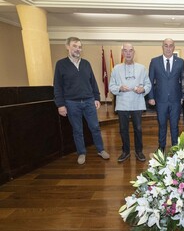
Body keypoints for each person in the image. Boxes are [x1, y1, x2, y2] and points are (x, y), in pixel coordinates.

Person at [53, 36, 110, 165]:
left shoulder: (86, 63)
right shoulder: (61, 64)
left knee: (95, 127)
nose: (77, 49)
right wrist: (60, 105)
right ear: (67, 47)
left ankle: (101, 150)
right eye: (74, 46)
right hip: (71, 103)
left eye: (79, 47)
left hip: (89, 101)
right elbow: (58, 86)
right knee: (77, 130)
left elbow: (93, 82)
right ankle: (81, 153)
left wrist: (97, 98)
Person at [109, 43, 151, 162]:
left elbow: (148, 85)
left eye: (130, 50)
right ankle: (125, 151)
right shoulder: (116, 69)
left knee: (138, 128)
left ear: (134, 53)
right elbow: (111, 86)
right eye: (125, 51)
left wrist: (143, 89)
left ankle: (139, 151)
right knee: (123, 129)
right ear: (122, 53)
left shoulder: (142, 68)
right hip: (122, 104)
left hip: (137, 103)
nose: (128, 53)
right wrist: (119, 88)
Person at [148, 38, 184, 152]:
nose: (168, 48)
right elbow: (150, 80)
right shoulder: (154, 61)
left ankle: (175, 147)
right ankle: (161, 146)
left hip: (176, 100)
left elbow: (183, 80)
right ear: (162, 47)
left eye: (171, 45)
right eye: (166, 45)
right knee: (162, 125)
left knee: (175, 125)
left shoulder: (180, 62)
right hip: (160, 100)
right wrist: (151, 97)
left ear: (174, 47)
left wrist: (183, 96)